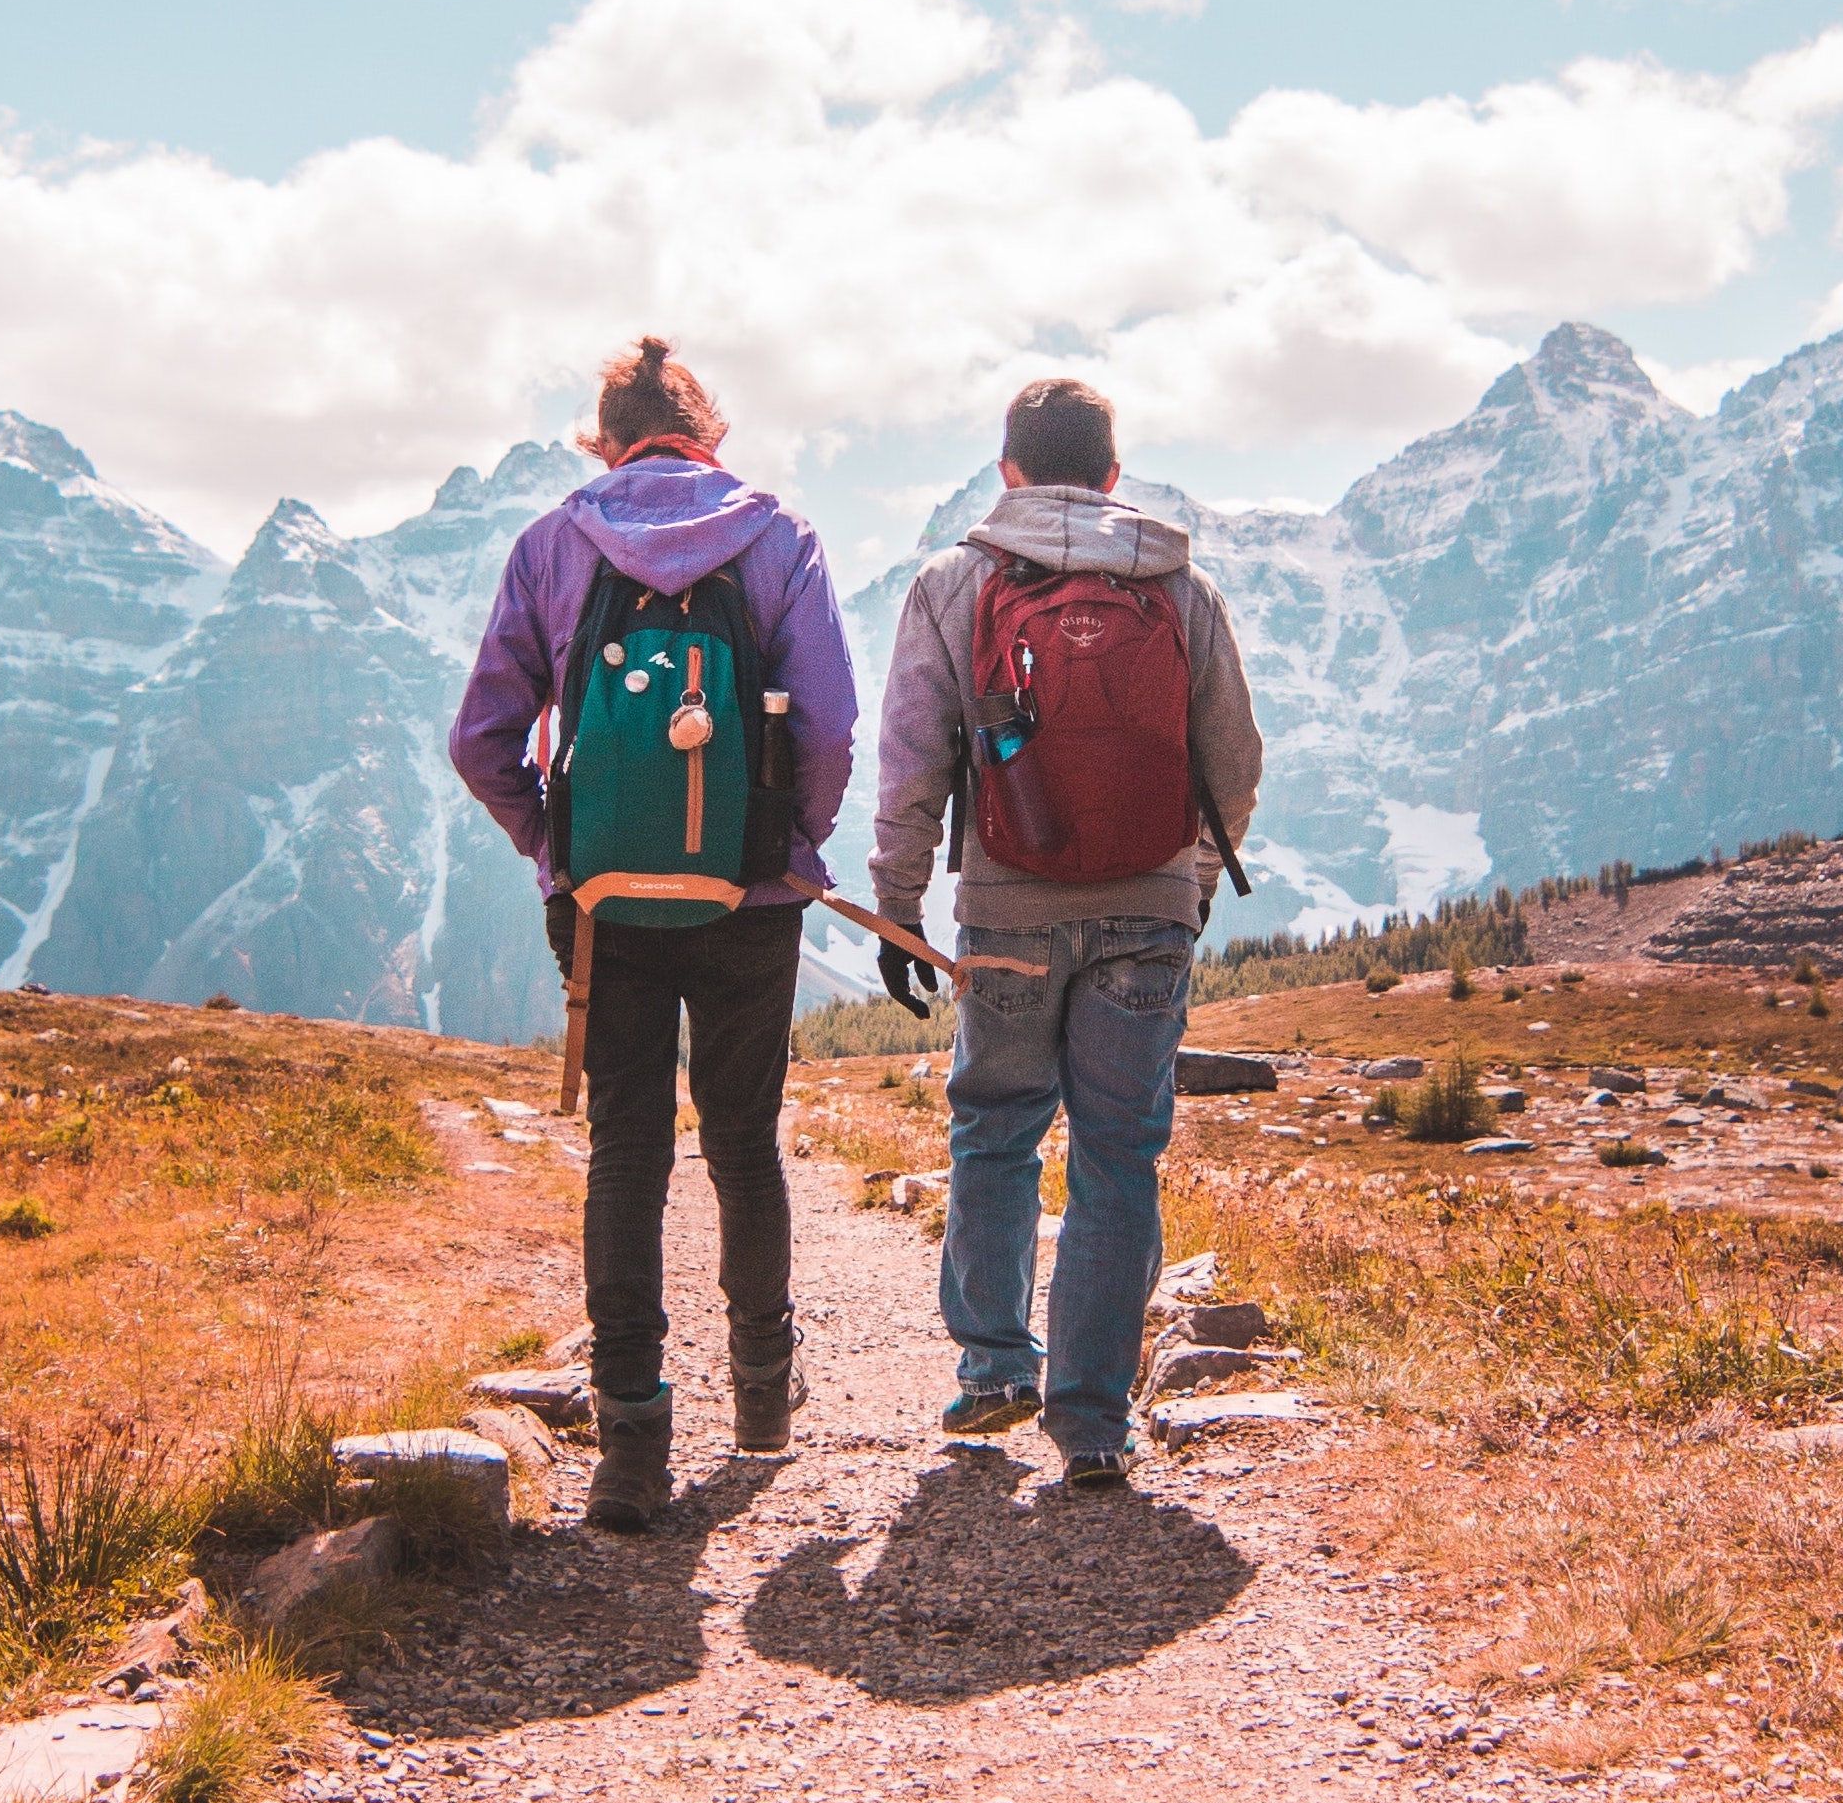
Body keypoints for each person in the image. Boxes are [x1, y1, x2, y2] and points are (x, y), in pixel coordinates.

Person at [450, 338, 858, 1531]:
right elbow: (826, 725)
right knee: (744, 1142)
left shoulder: (551, 544)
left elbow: (482, 740)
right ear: (708, 435)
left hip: (604, 904)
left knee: (628, 1148)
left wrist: (553, 846)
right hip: (753, 902)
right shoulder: (780, 539)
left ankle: (630, 1437)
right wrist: (784, 844)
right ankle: (764, 1401)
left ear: (607, 438)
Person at [867, 375, 1263, 1490]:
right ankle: (1091, 1419)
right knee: (1118, 1152)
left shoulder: (956, 579)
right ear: (1109, 474)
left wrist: (898, 901)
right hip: (1145, 909)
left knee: (994, 1127)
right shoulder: (1179, 585)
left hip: (1003, 910)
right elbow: (1233, 761)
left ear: (1006, 472)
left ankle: (995, 1364)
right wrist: (1180, 880)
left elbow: (914, 759)